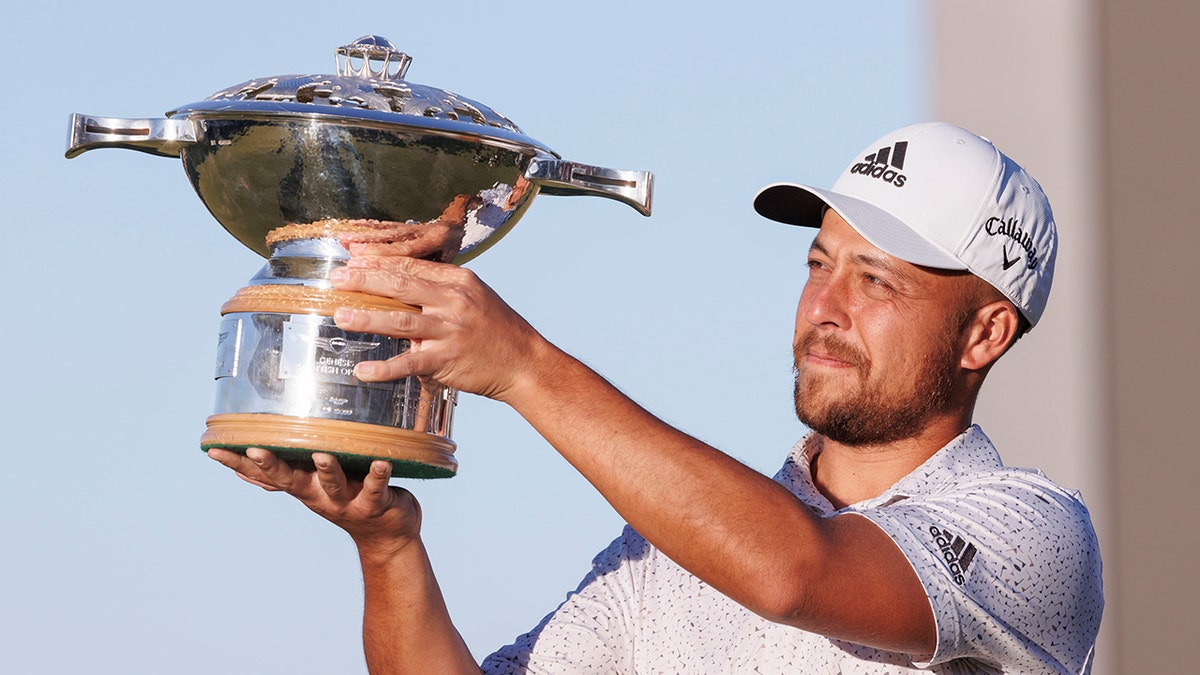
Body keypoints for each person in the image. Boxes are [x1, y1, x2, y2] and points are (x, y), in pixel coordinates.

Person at [209, 122, 1104, 673]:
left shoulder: (1036, 534)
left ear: (985, 334)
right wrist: (387, 546)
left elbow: (796, 574)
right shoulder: (673, 550)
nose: (823, 309)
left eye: (877, 282)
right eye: (818, 264)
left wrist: (521, 362)